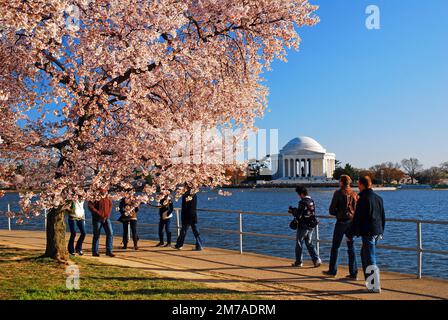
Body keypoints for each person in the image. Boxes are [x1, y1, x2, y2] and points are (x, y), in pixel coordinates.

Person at [351, 176, 386, 293]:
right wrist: (382, 231)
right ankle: (370, 283)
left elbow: (357, 218)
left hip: (368, 232)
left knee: (370, 258)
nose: (357, 187)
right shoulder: (378, 198)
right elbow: (382, 216)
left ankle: (374, 285)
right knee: (365, 255)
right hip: (377, 231)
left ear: (361, 185)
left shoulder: (363, 199)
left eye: (358, 184)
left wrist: (350, 233)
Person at [323, 175, 359, 279]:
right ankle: (353, 272)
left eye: (339, 181)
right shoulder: (354, 194)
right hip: (351, 222)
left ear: (342, 182)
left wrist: (338, 212)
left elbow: (331, 210)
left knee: (335, 247)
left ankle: (332, 270)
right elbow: (356, 209)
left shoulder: (338, 193)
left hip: (341, 222)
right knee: (351, 247)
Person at [289, 186, 322, 268]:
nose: (299, 196)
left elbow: (299, 215)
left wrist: (292, 211)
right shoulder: (312, 201)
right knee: (309, 243)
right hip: (311, 225)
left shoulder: (302, 202)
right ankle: (316, 260)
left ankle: (299, 262)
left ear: (302, 194)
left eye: (299, 194)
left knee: (299, 243)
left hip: (303, 226)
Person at [88, 188, 115, 257]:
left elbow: (110, 207)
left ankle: (109, 251)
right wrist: (100, 214)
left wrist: (106, 216)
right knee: (97, 235)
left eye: (105, 191)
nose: (104, 192)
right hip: (97, 219)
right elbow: (91, 207)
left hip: (107, 219)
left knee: (110, 233)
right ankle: (95, 252)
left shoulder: (108, 199)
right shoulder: (95, 199)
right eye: (103, 191)